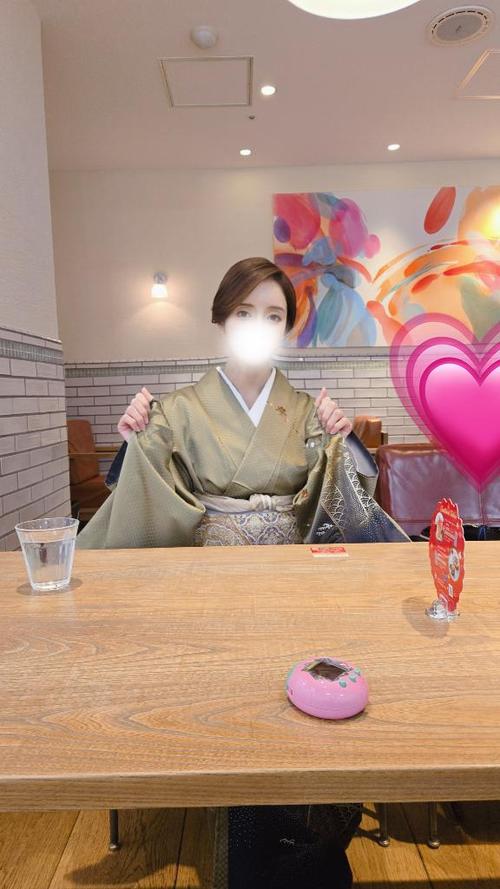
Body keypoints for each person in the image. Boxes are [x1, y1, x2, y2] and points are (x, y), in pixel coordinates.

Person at [77, 257, 408, 887]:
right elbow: (142, 483)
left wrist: (339, 441)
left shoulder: (306, 409)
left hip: (295, 586)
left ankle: (309, 835)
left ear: (286, 329)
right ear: (222, 321)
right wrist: (135, 437)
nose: (258, 325)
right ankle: (249, 837)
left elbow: (341, 495)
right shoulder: (178, 408)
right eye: (244, 312)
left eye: (274, 316)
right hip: (209, 590)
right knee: (237, 714)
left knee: (305, 705)